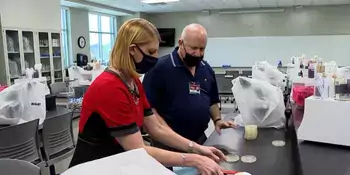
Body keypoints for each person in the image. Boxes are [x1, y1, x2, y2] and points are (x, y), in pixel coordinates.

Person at [68, 19, 226, 175]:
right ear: (132, 49)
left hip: (118, 163)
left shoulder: (133, 81)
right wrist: (193, 159)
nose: (155, 57)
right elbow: (138, 149)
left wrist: (197, 148)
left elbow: (157, 128)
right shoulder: (110, 87)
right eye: (151, 52)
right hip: (94, 167)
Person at [142, 24, 235, 154]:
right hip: (168, 143)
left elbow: (212, 100)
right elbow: (149, 109)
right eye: (194, 48)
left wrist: (217, 120)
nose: (198, 54)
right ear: (181, 43)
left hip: (199, 139)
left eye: (202, 49)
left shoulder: (206, 69)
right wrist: (167, 134)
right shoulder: (159, 69)